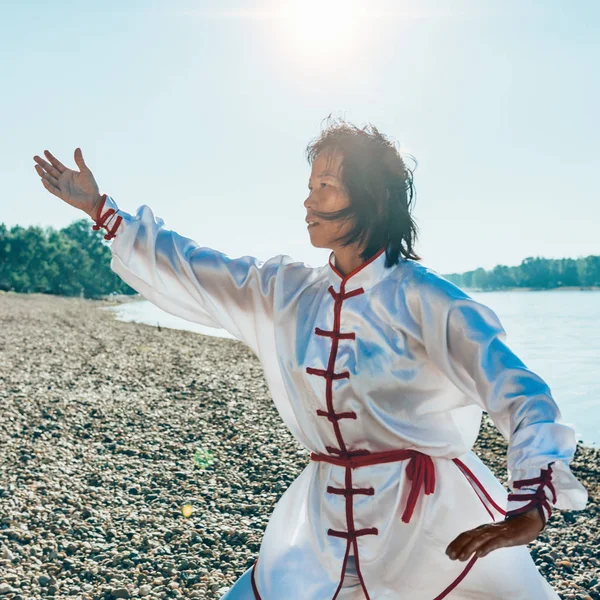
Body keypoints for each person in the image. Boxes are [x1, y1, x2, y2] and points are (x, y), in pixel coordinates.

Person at [33, 119, 588, 600]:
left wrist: (532, 499)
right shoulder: (288, 291)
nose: (307, 200)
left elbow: (521, 393)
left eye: (325, 185)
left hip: (426, 522)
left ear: (370, 197)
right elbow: (195, 265)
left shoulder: (428, 299)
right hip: (322, 520)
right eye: (309, 185)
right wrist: (103, 212)